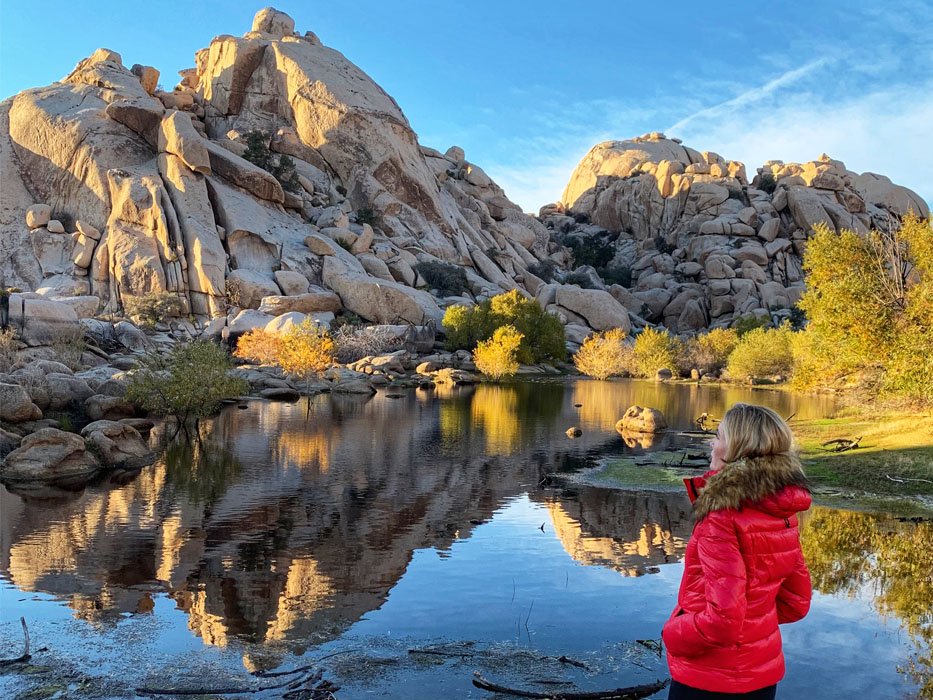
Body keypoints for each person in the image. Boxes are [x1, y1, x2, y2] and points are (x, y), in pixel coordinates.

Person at [661, 403, 812, 699]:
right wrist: (754, 624)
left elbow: (723, 620)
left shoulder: (722, 515)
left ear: (736, 449)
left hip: (708, 679)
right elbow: (796, 602)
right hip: (762, 677)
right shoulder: (782, 511)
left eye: (718, 436)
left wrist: (674, 634)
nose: (711, 443)